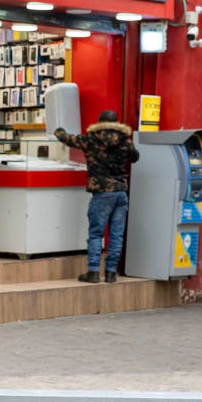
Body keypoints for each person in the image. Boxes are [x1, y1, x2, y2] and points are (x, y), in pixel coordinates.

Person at [55, 110, 140, 283]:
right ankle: (110, 273)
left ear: (99, 122)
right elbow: (135, 157)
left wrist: (58, 131)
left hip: (102, 193)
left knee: (96, 234)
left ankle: (93, 272)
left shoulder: (90, 139)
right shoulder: (125, 140)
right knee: (116, 235)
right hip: (120, 193)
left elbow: (68, 139)